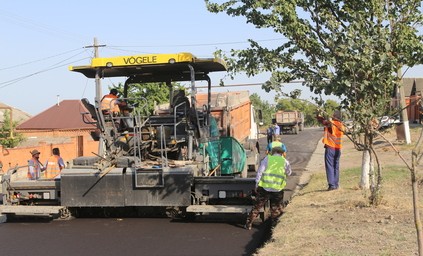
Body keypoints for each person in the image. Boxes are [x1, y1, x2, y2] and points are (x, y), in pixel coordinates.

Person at [244, 146, 292, 230]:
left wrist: (256, 184)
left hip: (264, 188)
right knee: (275, 209)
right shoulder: (285, 161)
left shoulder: (267, 159)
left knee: (257, 207)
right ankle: (273, 226)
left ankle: (248, 224)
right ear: (282, 153)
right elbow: (289, 172)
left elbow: (260, 172)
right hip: (277, 189)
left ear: (273, 152)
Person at [316, 110, 344, 191]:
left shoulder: (332, 124)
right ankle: (336, 184)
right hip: (338, 148)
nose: (331, 116)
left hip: (330, 147)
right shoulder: (341, 125)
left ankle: (332, 185)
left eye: (333, 115)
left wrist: (318, 115)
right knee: (336, 167)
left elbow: (324, 122)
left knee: (330, 166)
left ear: (335, 116)